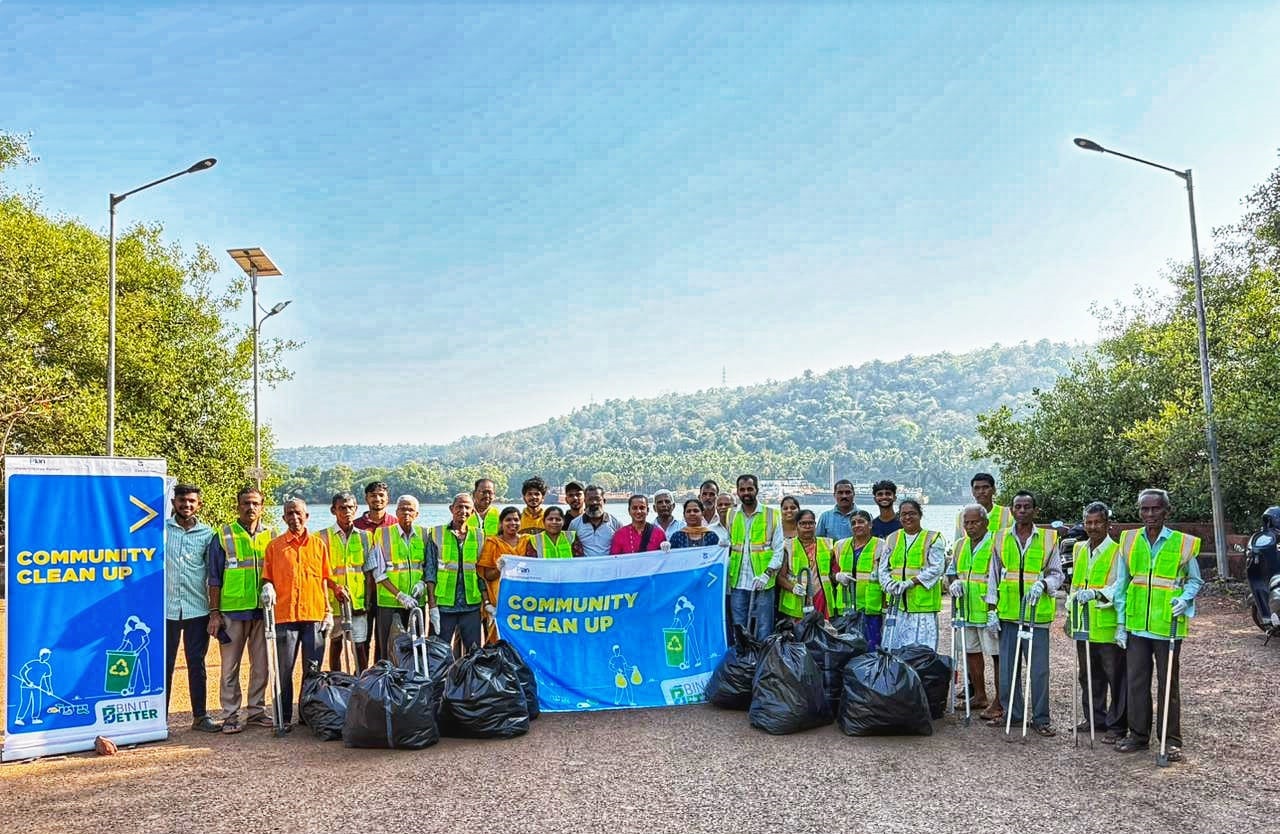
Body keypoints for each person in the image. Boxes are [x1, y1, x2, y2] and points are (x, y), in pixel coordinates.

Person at [1113, 488, 1203, 761]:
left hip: (1168, 625)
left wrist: (1184, 600)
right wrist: (1120, 623)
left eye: (1155, 509)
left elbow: (1195, 580)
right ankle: (1138, 736)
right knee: (1136, 682)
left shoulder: (1184, 544)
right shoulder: (1128, 541)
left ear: (1167, 511)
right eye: (1145, 509)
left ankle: (1171, 740)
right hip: (1137, 625)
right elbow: (1122, 585)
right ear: (1139, 511)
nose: (1150, 514)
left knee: (1168, 684)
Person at [260, 499, 349, 728]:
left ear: (306, 516)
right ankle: (284, 717)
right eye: (290, 514)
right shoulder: (275, 546)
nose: (294, 518)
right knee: (284, 669)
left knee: (312, 669)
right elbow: (267, 578)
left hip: (314, 615)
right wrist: (267, 588)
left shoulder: (318, 545)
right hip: (285, 617)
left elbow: (326, 578)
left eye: (298, 513)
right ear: (283, 518)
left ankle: (308, 714)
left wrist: (332, 603)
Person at [985, 490, 1062, 736]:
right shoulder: (999, 538)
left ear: (1034, 511)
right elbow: (993, 575)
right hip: (1008, 614)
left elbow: (1057, 573)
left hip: (1036, 614)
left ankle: (1041, 719)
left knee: (1038, 671)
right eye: (1017, 507)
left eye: (1026, 507)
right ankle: (1013, 714)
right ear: (1011, 510)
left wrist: (1044, 585)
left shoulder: (1049, 538)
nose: (1021, 511)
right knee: (1008, 669)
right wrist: (991, 609)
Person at [207, 487, 277, 734]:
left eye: (255, 503)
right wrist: (214, 613)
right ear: (238, 505)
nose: (251, 508)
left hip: (261, 611)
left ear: (262, 506)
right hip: (231, 612)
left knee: (261, 665)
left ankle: (256, 710)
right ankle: (230, 714)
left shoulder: (271, 535)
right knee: (229, 667)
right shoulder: (223, 535)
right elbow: (214, 578)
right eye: (246, 503)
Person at [1068, 501, 1127, 743]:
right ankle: (1094, 718)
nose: (1093, 527)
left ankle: (1117, 725)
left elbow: (1120, 585)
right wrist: (1071, 615)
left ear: (1107, 524)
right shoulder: (1080, 549)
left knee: (1115, 676)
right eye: (1088, 522)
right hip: (1084, 622)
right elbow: (1075, 585)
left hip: (1107, 623)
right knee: (1088, 675)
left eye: (1097, 522)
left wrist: (1098, 593)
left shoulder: (1117, 551)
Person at [164, 484, 219, 732]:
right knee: (164, 664)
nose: (187, 505)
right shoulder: (161, 530)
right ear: (174, 502)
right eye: (182, 501)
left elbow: (214, 573)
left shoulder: (208, 534)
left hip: (197, 609)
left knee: (196, 663)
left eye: (192, 501)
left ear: (199, 505)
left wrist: (216, 611)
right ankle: (158, 717)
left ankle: (199, 716)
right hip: (166, 610)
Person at [946, 504, 1001, 719]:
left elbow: (1001, 575)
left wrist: (994, 609)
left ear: (985, 522)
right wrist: (953, 583)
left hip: (988, 609)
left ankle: (1000, 700)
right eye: (966, 523)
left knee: (996, 655)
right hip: (966, 609)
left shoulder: (996, 543)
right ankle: (979, 695)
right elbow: (952, 571)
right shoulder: (960, 545)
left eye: (975, 522)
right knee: (971, 653)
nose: (970, 526)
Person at [876, 499, 946, 651]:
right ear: (899, 517)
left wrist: (911, 582)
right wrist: (888, 584)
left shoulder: (933, 538)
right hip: (897, 606)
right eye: (903, 514)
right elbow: (883, 568)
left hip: (923, 608)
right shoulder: (892, 538)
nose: (907, 517)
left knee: (922, 652)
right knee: (894, 648)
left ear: (920, 515)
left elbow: (937, 568)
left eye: (912, 513)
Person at [368, 495, 429, 660]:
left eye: (410, 509)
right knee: (387, 646)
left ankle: (411, 681)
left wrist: (422, 583)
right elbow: (378, 572)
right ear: (396, 512)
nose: (406, 513)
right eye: (402, 509)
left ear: (417, 514)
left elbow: (427, 566)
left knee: (415, 645)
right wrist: (400, 595)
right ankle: (387, 681)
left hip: (416, 601)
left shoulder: (424, 534)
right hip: (389, 602)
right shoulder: (383, 534)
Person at [726, 474, 784, 640]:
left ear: (757, 490)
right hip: (738, 581)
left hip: (763, 582)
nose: (746, 493)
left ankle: (761, 660)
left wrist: (767, 574)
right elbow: (729, 544)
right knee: (739, 625)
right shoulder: (731, 514)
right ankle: (743, 660)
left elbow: (778, 549)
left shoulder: (772, 515)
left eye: (750, 489)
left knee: (764, 626)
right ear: (737, 492)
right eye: (742, 489)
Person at [427, 493, 486, 652]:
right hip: (444, 606)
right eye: (459, 506)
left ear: (473, 512)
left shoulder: (480, 536)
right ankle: (439, 678)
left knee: (474, 653)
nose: (463, 510)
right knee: (437, 653)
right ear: (451, 509)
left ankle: (468, 678)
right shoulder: (436, 533)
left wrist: (486, 601)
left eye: (467, 507)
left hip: (471, 605)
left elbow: (480, 573)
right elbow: (430, 572)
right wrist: (432, 605)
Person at [323, 492, 375, 673]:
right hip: (333, 602)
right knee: (335, 643)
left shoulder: (365, 537)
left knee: (359, 646)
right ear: (333, 510)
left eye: (350, 508)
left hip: (358, 602)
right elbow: (321, 573)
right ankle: (338, 680)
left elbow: (369, 572)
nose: (346, 512)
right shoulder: (323, 537)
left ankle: (361, 681)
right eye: (342, 508)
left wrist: (367, 602)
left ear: (356, 509)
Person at [353, 481, 395, 662]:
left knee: (384, 641)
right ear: (366, 498)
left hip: (388, 594)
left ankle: (381, 677)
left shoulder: (395, 524)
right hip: (362, 593)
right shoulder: (356, 526)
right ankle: (361, 676)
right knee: (362, 640)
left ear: (387, 498)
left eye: (381, 495)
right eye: (373, 495)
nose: (377, 499)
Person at [832, 510, 886, 649]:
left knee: (871, 647)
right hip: (846, 606)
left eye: (861, 521)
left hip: (871, 607)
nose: (857, 525)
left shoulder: (882, 545)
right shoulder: (840, 545)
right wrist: (838, 576)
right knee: (847, 646)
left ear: (870, 525)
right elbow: (831, 572)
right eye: (854, 523)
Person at [479, 506, 530, 641]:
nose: (513, 523)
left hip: (523, 599)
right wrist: (499, 568)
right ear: (501, 523)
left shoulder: (527, 541)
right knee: (498, 639)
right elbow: (487, 576)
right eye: (508, 520)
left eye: (516, 520)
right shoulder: (493, 543)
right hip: (499, 599)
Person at [777, 509, 836, 621]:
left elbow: (833, 572)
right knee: (800, 634)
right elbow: (780, 577)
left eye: (810, 523)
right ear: (796, 525)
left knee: (823, 633)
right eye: (803, 523)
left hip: (821, 597)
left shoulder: (828, 544)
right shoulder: (787, 546)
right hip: (797, 599)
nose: (807, 526)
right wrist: (793, 588)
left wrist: (838, 576)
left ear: (815, 524)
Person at [956, 472, 1013, 542]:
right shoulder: (962, 517)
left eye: (985, 487)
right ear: (972, 491)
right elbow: (958, 546)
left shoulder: (1008, 514)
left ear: (994, 489)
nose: (981, 491)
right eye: (977, 488)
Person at [569, 484, 622, 556]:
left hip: (609, 566)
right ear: (585, 501)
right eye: (590, 499)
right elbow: (570, 548)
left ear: (604, 501)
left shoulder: (615, 523)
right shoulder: (575, 524)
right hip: (585, 566)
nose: (594, 503)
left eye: (597, 499)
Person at [14, 649, 52, 726]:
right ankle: (19, 719)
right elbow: (22, 671)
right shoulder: (33, 663)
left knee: (37, 703)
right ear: (42, 655)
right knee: (25, 702)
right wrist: (27, 682)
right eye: (46, 655)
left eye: (48, 655)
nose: (48, 657)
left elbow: (47, 679)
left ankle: (35, 718)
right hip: (26, 687)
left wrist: (49, 689)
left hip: (37, 687)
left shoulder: (47, 666)